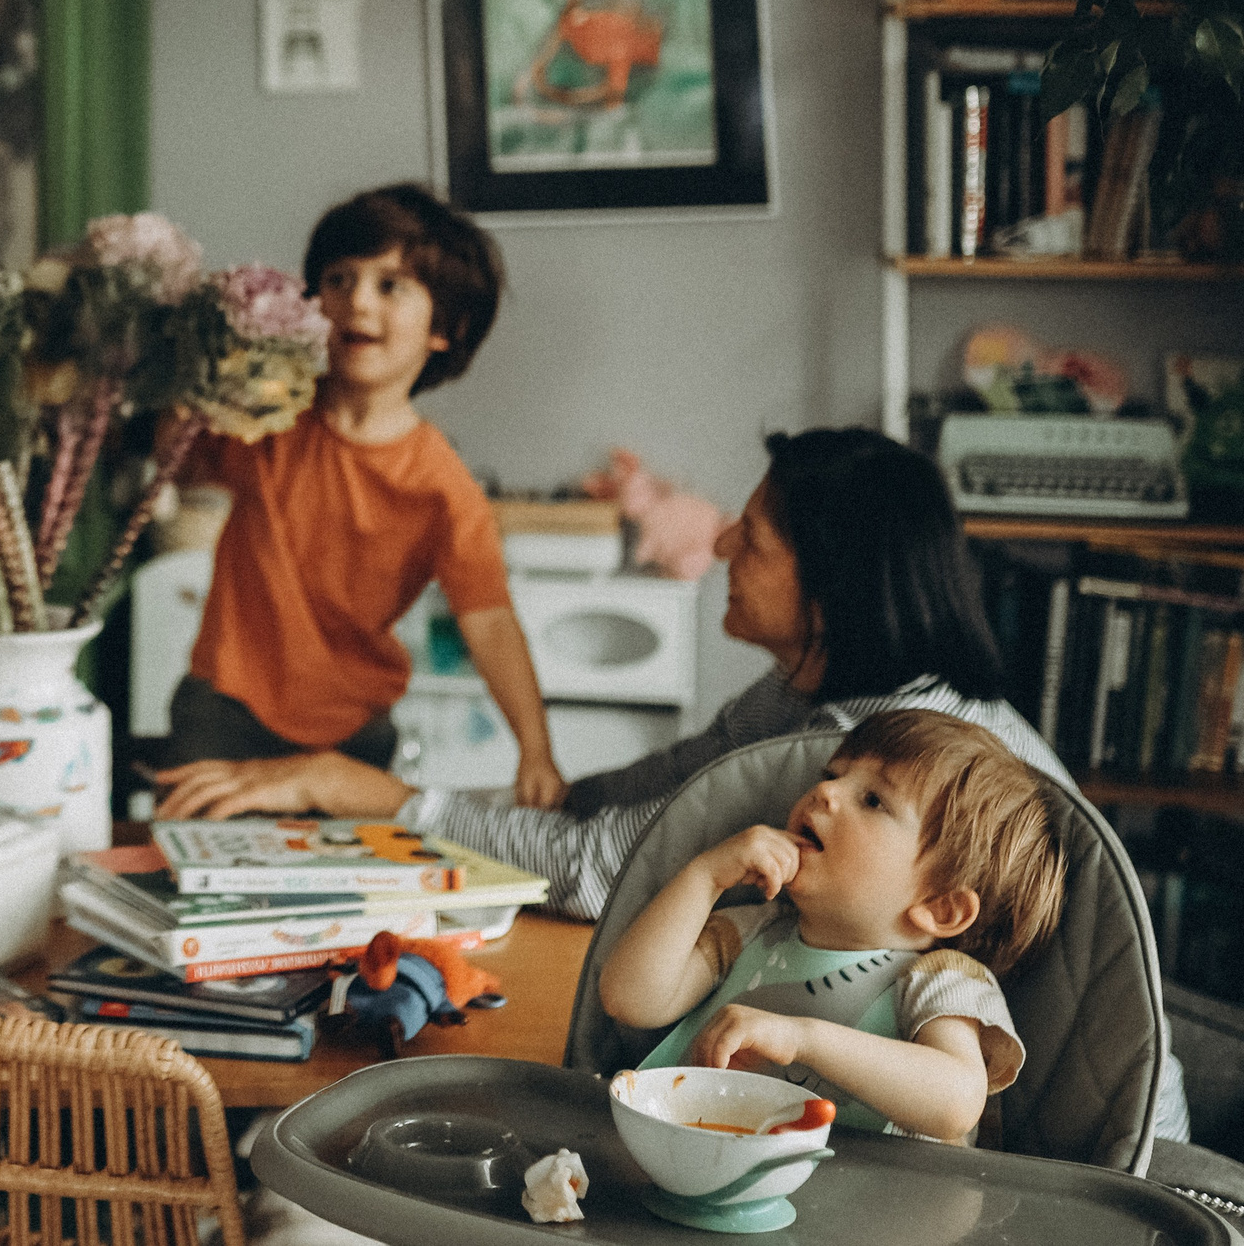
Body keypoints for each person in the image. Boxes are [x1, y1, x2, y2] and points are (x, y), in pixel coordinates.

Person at [154, 427, 1071, 922]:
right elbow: (619, 801)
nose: (715, 544)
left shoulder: (861, 757)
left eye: (748, 539)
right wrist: (390, 803)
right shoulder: (800, 691)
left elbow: (598, 871)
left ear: (828, 592)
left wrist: (368, 792)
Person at [156, 183, 567, 813]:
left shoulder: (444, 488)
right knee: (196, 876)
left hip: (353, 737)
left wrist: (534, 749)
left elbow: (488, 618)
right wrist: (191, 375)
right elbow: (177, 459)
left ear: (447, 329)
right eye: (339, 278)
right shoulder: (268, 417)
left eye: (389, 285)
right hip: (221, 706)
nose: (356, 301)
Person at [598, 709, 1065, 1143]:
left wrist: (803, 1038)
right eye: (832, 775)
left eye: (873, 800)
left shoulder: (940, 979)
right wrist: (705, 877)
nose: (825, 792)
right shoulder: (752, 931)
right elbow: (629, 998)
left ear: (940, 908)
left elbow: (958, 1101)